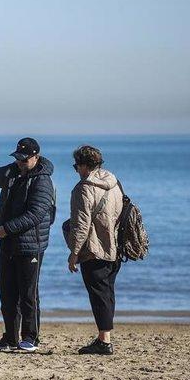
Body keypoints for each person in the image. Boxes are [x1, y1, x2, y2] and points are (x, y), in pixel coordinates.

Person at [0, 138, 54, 353]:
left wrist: (6, 228)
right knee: (7, 293)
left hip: (30, 246)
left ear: (35, 157)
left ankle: (30, 337)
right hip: (7, 243)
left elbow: (36, 214)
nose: (20, 162)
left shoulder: (43, 181)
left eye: (24, 159)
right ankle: (9, 337)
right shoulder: (12, 173)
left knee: (27, 293)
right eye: (17, 158)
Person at [67, 145, 123, 355]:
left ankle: (104, 340)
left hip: (94, 248)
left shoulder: (84, 188)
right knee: (107, 293)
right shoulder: (114, 183)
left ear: (84, 165)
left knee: (98, 294)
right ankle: (104, 337)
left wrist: (74, 253)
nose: (76, 170)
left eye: (76, 166)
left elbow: (81, 225)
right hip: (115, 246)